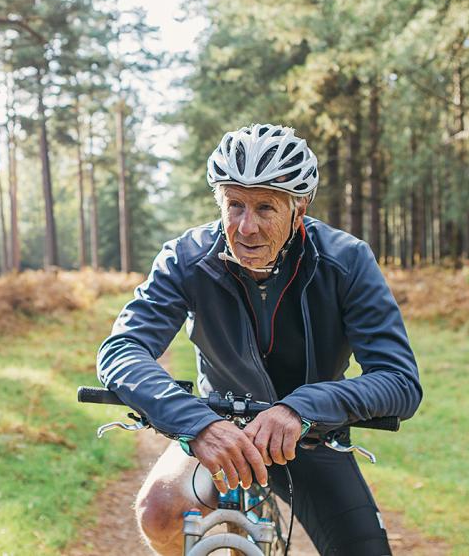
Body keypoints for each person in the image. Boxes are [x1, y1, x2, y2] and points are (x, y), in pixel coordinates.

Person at [96, 124, 422, 555]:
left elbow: (399, 380)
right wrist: (197, 423)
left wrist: (301, 407)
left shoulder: (346, 260)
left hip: (311, 432)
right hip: (218, 427)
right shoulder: (186, 259)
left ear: (298, 207)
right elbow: (122, 350)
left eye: (265, 207)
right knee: (158, 511)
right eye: (234, 206)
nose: (246, 227)